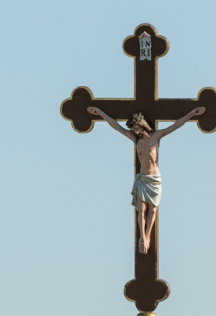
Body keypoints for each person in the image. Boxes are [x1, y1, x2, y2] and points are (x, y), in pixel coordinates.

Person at [87, 105, 206, 254]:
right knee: (142, 210)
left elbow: (175, 126)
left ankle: (148, 235)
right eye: (133, 129)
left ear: (142, 125)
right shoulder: (136, 140)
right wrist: (100, 113)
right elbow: (116, 126)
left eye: (137, 128)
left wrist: (192, 114)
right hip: (143, 178)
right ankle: (142, 237)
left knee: (152, 210)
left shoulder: (156, 136)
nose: (136, 132)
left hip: (154, 179)